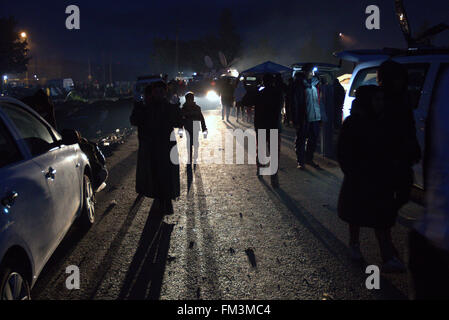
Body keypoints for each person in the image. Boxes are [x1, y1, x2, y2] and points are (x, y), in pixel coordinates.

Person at [337, 84, 419, 272]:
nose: (380, 103)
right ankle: (355, 245)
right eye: (376, 99)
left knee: (382, 219)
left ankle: (387, 255)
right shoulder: (353, 123)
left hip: (380, 180)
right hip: (359, 179)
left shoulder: (384, 122)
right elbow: (343, 153)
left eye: (382, 99)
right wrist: (353, 173)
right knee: (356, 216)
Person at [130, 81, 183, 214]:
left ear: (165, 92)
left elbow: (178, 122)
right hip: (152, 148)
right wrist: (137, 105)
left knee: (166, 174)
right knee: (154, 174)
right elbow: (135, 121)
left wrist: (177, 106)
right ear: (152, 93)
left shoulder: (169, 107)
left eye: (161, 91)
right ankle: (161, 200)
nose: (159, 93)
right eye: (156, 91)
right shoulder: (146, 107)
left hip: (167, 147)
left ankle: (166, 200)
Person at [254, 74, 283, 188]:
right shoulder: (278, 93)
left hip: (261, 125)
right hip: (274, 126)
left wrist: (255, 89)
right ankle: (274, 178)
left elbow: (245, 101)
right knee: (274, 152)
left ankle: (260, 170)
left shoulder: (259, 93)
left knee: (261, 150)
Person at [292, 64, 323, 169]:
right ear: (305, 72)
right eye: (310, 71)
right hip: (304, 118)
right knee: (301, 140)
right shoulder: (299, 85)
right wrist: (295, 119)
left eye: (313, 71)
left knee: (313, 140)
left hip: (315, 117)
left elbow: (319, 101)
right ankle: (301, 161)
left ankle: (309, 159)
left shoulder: (316, 84)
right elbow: (295, 103)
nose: (312, 73)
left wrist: (321, 116)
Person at [181, 92, 207, 168]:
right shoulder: (183, 109)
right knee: (189, 142)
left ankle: (195, 156)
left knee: (195, 142)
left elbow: (201, 118)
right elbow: (181, 120)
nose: (190, 100)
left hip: (195, 127)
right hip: (188, 127)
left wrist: (204, 128)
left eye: (191, 99)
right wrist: (180, 130)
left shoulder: (197, 108)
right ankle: (190, 156)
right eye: (189, 99)